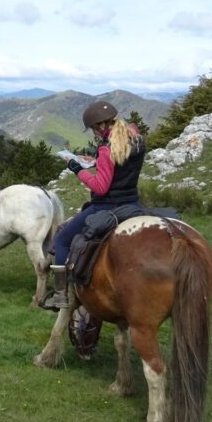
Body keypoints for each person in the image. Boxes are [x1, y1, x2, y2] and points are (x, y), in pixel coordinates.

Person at [40, 101, 146, 311]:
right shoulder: (136, 139)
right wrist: (96, 161)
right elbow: (121, 165)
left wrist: (77, 169)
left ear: (100, 126)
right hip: (132, 203)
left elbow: (100, 187)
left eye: (93, 130)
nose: (94, 134)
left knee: (61, 238)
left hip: (107, 207)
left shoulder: (107, 149)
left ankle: (61, 295)